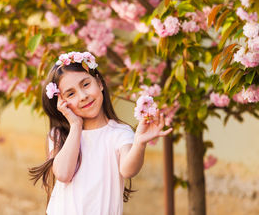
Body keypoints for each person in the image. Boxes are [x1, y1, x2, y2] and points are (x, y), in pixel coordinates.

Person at [29, 51, 172, 215]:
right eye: (71, 93)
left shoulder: (119, 133)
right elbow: (63, 174)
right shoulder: (60, 135)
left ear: (99, 83)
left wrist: (139, 143)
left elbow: (128, 170)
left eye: (85, 85)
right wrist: (76, 125)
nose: (83, 96)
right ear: (62, 103)